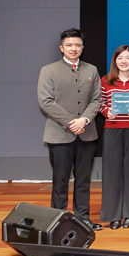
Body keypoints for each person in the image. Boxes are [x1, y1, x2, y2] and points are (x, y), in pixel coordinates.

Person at [37, 28, 102, 230]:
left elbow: (97, 100)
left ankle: (83, 218)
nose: (73, 48)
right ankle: (58, 221)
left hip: (86, 134)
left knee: (83, 180)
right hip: (59, 135)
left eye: (77, 45)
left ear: (82, 47)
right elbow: (45, 101)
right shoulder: (48, 70)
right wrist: (72, 121)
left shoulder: (91, 70)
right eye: (69, 45)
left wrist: (84, 120)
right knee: (60, 181)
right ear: (61, 47)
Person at [100, 45, 129, 228]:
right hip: (112, 130)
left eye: (128, 58)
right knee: (111, 172)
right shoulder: (106, 80)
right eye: (120, 58)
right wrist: (107, 112)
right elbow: (100, 103)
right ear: (115, 61)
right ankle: (113, 215)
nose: (124, 61)